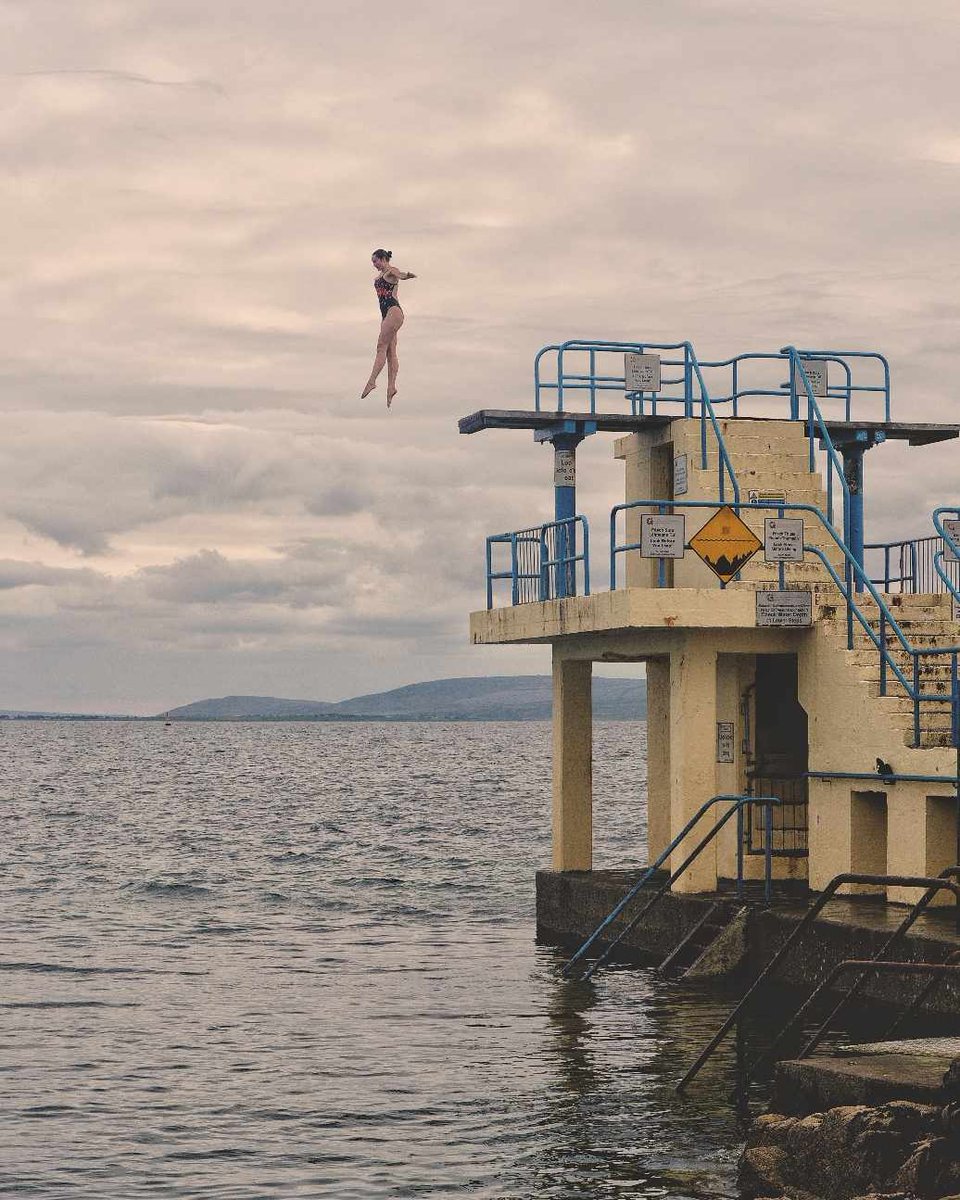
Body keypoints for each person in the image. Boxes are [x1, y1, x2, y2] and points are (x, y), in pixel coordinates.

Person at [361, 249, 416, 407]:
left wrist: (407, 276)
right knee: (391, 352)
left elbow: (400, 274)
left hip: (393, 312)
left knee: (381, 347)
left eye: (375, 261)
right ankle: (391, 387)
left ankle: (372, 381)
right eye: (373, 262)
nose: (374, 265)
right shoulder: (379, 276)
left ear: (383, 259)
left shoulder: (391, 271)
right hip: (386, 315)